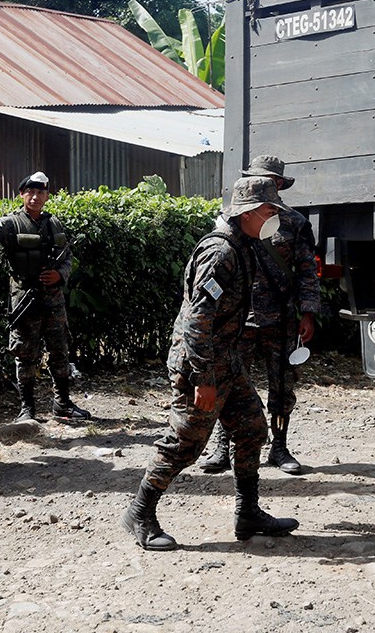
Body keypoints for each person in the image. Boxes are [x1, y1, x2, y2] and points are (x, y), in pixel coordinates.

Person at [120, 176, 300, 551]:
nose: (274, 217)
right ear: (248, 212)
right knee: (184, 443)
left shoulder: (244, 244)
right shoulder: (220, 253)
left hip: (226, 360)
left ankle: (247, 512)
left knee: (251, 428)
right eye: (269, 210)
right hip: (201, 365)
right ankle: (140, 512)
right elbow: (196, 321)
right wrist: (203, 378)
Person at [199, 155, 320, 475]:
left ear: (280, 183)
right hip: (239, 319)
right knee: (229, 384)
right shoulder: (230, 221)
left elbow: (307, 271)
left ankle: (279, 447)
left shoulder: (295, 223)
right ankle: (221, 447)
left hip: (281, 320)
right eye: (260, 178)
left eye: (271, 179)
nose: (267, 184)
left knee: (283, 387)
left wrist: (308, 312)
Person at [0, 171, 91, 421]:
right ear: (22, 194)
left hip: (53, 300)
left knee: (60, 351)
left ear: (47, 195)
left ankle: (63, 404)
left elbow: (67, 257)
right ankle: (27, 409)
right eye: (30, 192)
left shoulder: (53, 223)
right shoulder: (10, 224)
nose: (35, 197)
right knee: (25, 353)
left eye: (40, 192)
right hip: (25, 299)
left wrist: (60, 275)